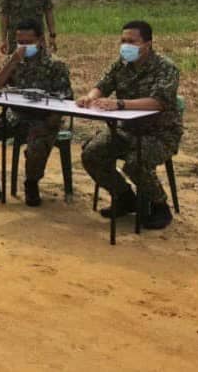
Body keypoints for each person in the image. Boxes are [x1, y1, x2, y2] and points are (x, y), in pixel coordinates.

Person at [77, 21, 182, 230]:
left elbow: (158, 102)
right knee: (92, 154)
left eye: (132, 41)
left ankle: (160, 205)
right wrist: (89, 97)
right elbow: (102, 85)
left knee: (136, 162)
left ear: (148, 44)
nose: (126, 46)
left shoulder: (166, 68)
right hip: (126, 130)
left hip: (160, 133)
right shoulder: (121, 64)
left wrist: (120, 104)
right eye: (123, 41)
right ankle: (124, 197)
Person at [0, 19, 72, 206]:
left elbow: (67, 98)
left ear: (40, 40)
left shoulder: (55, 65)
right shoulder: (14, 60)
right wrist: (13, 61)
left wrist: (52, 122)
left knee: (36, 146)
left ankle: (31, 184)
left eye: (28, 42)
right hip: (15, 116)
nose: (23, 46)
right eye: (20, 42)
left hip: (42, 118)